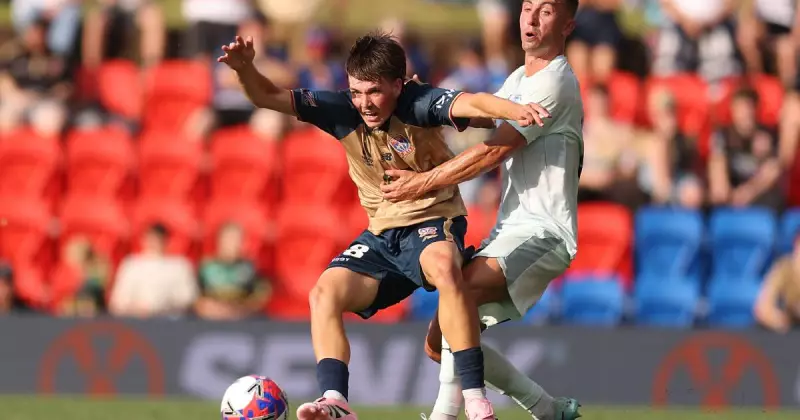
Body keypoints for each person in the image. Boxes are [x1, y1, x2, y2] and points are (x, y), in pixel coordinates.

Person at [218, 32, 549, 420]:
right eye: (356, 91)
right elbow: (267, 97)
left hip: (433, 219)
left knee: (444, 267)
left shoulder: (419, 103)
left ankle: (475, 400)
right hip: (381, 236)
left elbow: (472, 102)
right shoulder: (340, 109)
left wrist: (514, 110)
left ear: (398, 84)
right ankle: (335, 401)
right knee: (323, 293)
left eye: (374, 92)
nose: (364, 103)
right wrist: (245, 69)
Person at [381, 1, 583, 419]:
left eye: (545, 11)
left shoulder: (556, 82)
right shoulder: (517, 79)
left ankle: (446, 413)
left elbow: (492, 152)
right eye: (527, 7)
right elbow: (474, 115)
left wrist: (421, 182)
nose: (530, 18)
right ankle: (546, 409)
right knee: (440, 343)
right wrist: (420, 100)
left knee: (463, 289)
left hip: (545, 231)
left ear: (567, 24)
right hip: (511, 228)